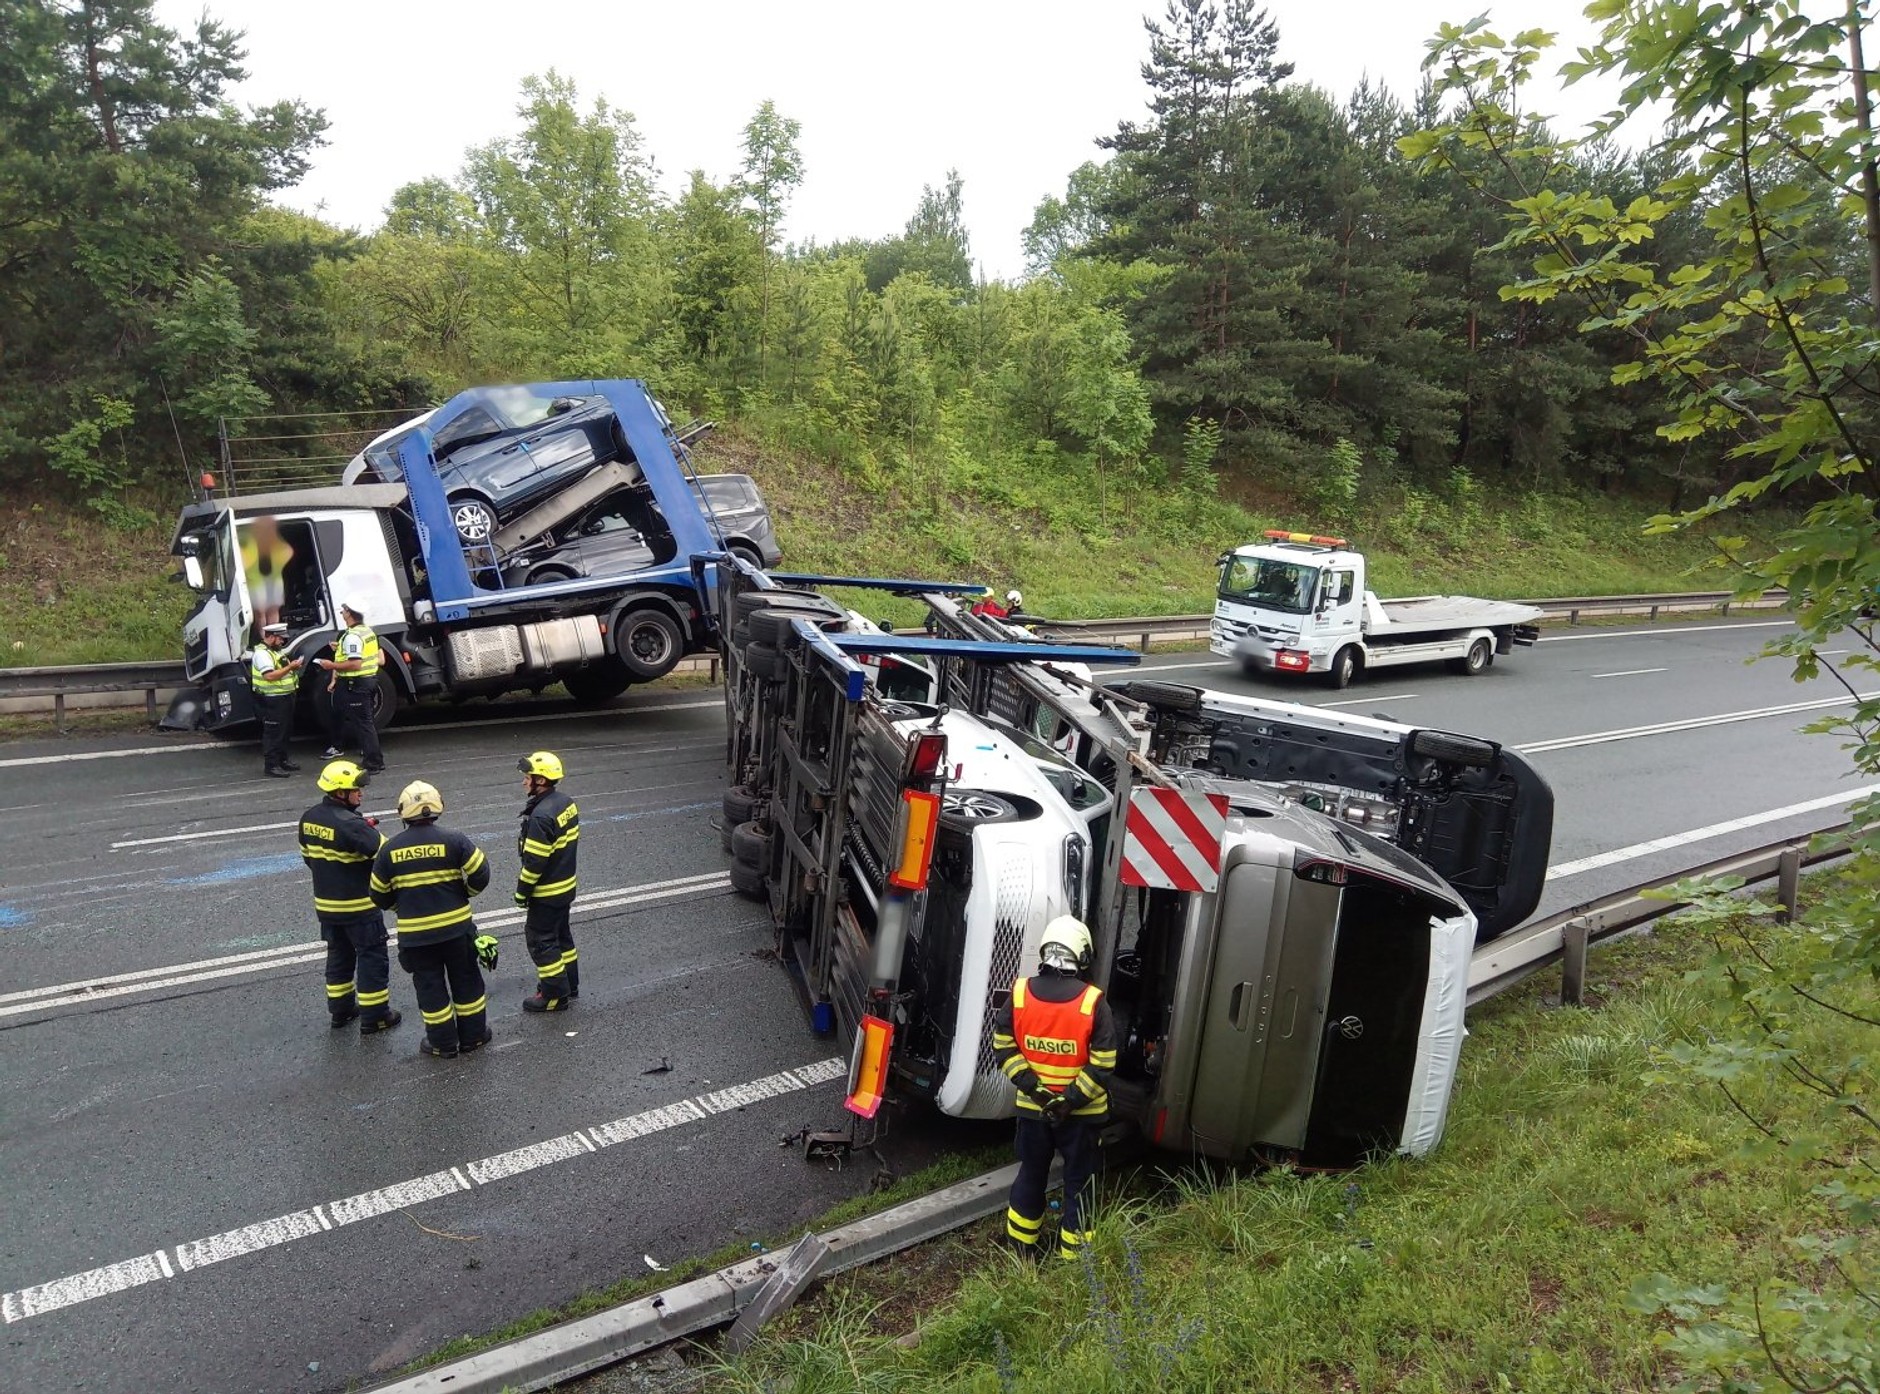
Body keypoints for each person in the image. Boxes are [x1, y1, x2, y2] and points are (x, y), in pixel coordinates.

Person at [992, 915, 1118, 1261]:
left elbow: (1003, 1046)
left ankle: (1020, 1252)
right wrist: (1069, 1101)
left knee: (1031, 1174)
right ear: (1082, 956)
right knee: (1080, 1183)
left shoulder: (1018, 994)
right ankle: (1074, 1263)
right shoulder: (1093, 1002)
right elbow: (1104, 1063)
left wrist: (1036, 1092)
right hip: (1082, 1117)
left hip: (1033, 1114)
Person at [370, 780, 491, 1059]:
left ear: (403, 811)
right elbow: (481, 873)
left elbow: (377, 893)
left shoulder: (389, 850)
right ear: (438, 806)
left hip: (416, 936)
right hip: (457, 929)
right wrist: (464, 894)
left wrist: (401, 907)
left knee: (429, 986)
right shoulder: (455, 839)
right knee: (467, 980)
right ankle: (473, 1038)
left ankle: (442, 1044)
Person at [298, 760, 400, 1034]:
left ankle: (340, 1011)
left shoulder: (308, 818)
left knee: (339, 956)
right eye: (356, 789)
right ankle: (376, 1016)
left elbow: (309, 859)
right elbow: (387, 857)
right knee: (371, 957)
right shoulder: (352, 826)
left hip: (327, 908)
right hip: (359, 908)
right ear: (340, 792)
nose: (361, 793)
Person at [514, 750, 581, 1012]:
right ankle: (570, 984)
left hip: (546, 892)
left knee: (541, 940)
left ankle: (554, 996)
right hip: (565, 887)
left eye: (527, 777)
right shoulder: (566, 802)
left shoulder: (541, 816)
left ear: (541, 781)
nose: (524, 782)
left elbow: (534, 863)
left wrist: (522, 892)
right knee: (561, 936)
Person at [317, 602, 384, 772]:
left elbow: (355, 664)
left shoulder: (353, 636)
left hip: (357, 684)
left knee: (363, 724)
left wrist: (330, 665)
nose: (342, 612)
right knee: (365, 722)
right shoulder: (366, 631)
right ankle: (375, 760)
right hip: (367, 681)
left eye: (344, 610)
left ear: (350, 613)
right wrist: (340, 648)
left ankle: (373, 763)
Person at [249, 624, 304, 778]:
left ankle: (283, 760)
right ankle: (272, 766)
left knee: (285, 731)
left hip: (285, 697)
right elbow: (270, 676)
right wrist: (291, 667)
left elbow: (282, 671)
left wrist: (293, 667)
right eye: (280, 638)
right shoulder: (262, 654)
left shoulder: (275, 651)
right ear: (271, 636)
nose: (282, 641)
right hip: (272, 700)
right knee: (274, 733)